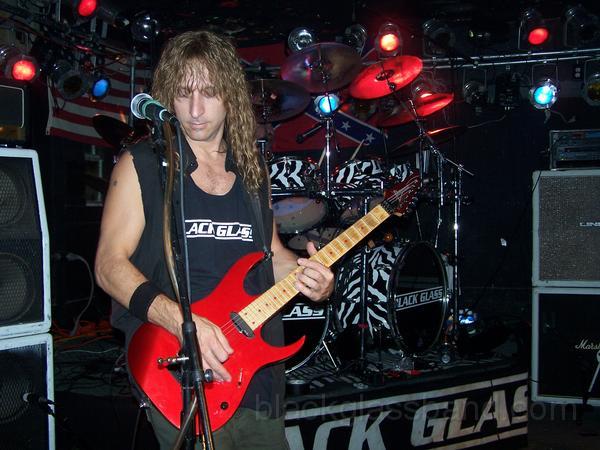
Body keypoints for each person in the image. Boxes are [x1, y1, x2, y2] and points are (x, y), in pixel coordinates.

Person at [95, 30, 334, 450]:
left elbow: (271, 255)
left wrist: (311, 276)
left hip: (255, 371)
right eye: (183, 93)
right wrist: (181, 323)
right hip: (178, 369)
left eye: (208, 93)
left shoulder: (251, 169)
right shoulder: (143, 165)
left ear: (231, 96)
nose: (195, 110)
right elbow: (109, 265)